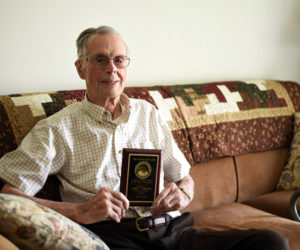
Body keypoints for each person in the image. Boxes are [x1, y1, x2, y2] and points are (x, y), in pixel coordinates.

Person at [0, 26, 289, 250]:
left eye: (118, 60)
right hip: (114, 238)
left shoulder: (148, 114)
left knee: (271, 242)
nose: (111, 68)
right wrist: (80, 211)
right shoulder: (56, 128)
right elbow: (8, 196)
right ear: (81, 68)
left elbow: (184, 178)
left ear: (126, 67)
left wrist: (181, 194)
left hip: (173, 232)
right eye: (100, 60)